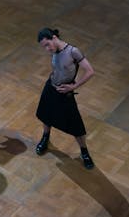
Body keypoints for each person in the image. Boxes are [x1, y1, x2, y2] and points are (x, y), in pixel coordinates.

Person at [35, 27, 95, 169]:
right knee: (46, 115)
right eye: (44, 47)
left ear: (54, 37)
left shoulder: (73, 51)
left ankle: (84, 152)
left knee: (76, 126)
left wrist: (73, 87)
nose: (47, 49)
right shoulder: (54, 51)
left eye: (47, 44)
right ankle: (45, 137)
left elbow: (90, 71)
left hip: (65, 92)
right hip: (51, 87)